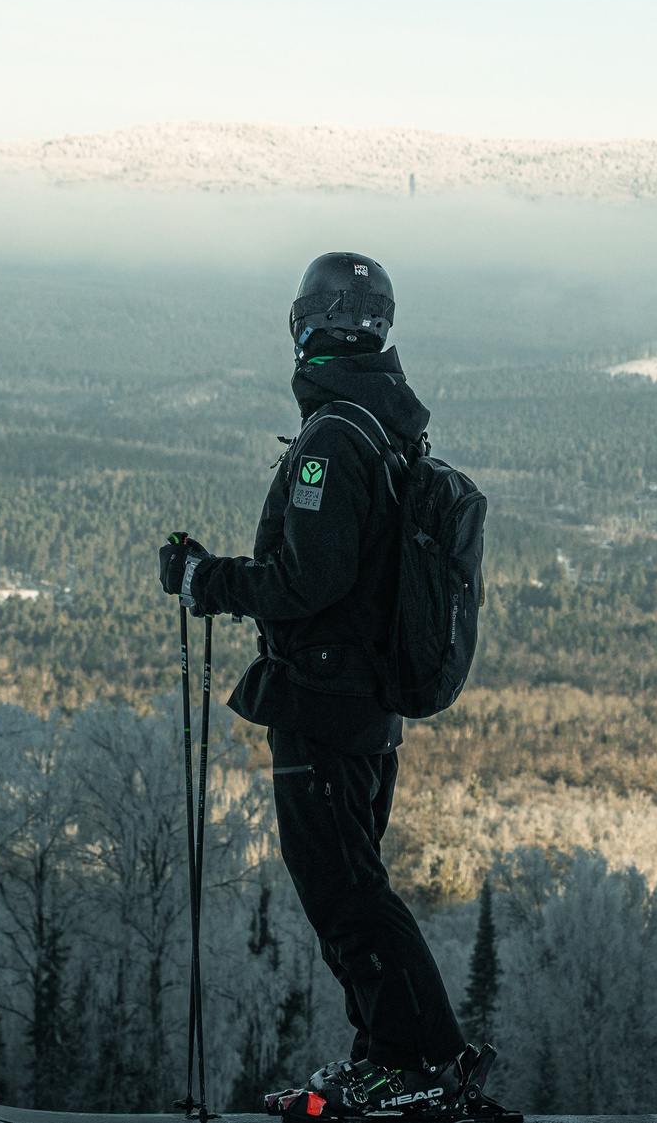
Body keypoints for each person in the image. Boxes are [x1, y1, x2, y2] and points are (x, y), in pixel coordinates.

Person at [159, 252, 505, 1120]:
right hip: (368, 709)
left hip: (324, 705)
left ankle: (414, 1058)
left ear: (310, 327)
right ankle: (392, 1057)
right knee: (352, 885)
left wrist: (211, 583)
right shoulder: (385, 428)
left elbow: (305, 582)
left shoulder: (331, 442)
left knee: (343, 892)